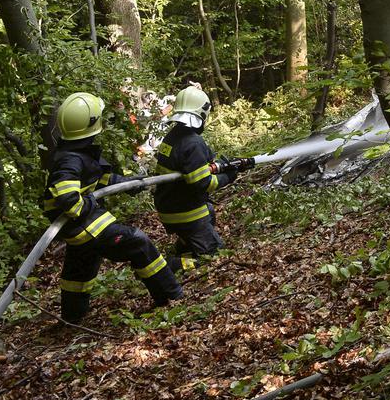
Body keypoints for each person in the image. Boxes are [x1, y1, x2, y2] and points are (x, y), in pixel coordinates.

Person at [42, 92, 183, 322]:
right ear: (92, 122)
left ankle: (72, 317)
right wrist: (86, 204)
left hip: (78, 228)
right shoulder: (71, 159)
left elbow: (100, 180)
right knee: (138, 243)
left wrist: (129, 183)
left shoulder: (76, 150)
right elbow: (68, 198)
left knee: (80, 267)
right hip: (84, 224)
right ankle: (171, 295)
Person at [152, 86, 254, 272]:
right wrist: (228, 177)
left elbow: (192, 170)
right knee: (214, 258)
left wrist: (221, 167)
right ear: (201, 114)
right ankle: (171, 265)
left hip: (169, 205)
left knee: (209, 211)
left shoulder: (173, 136)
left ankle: (187, 243)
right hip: (185, 212)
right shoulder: (193, 143)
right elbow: (203, 183)